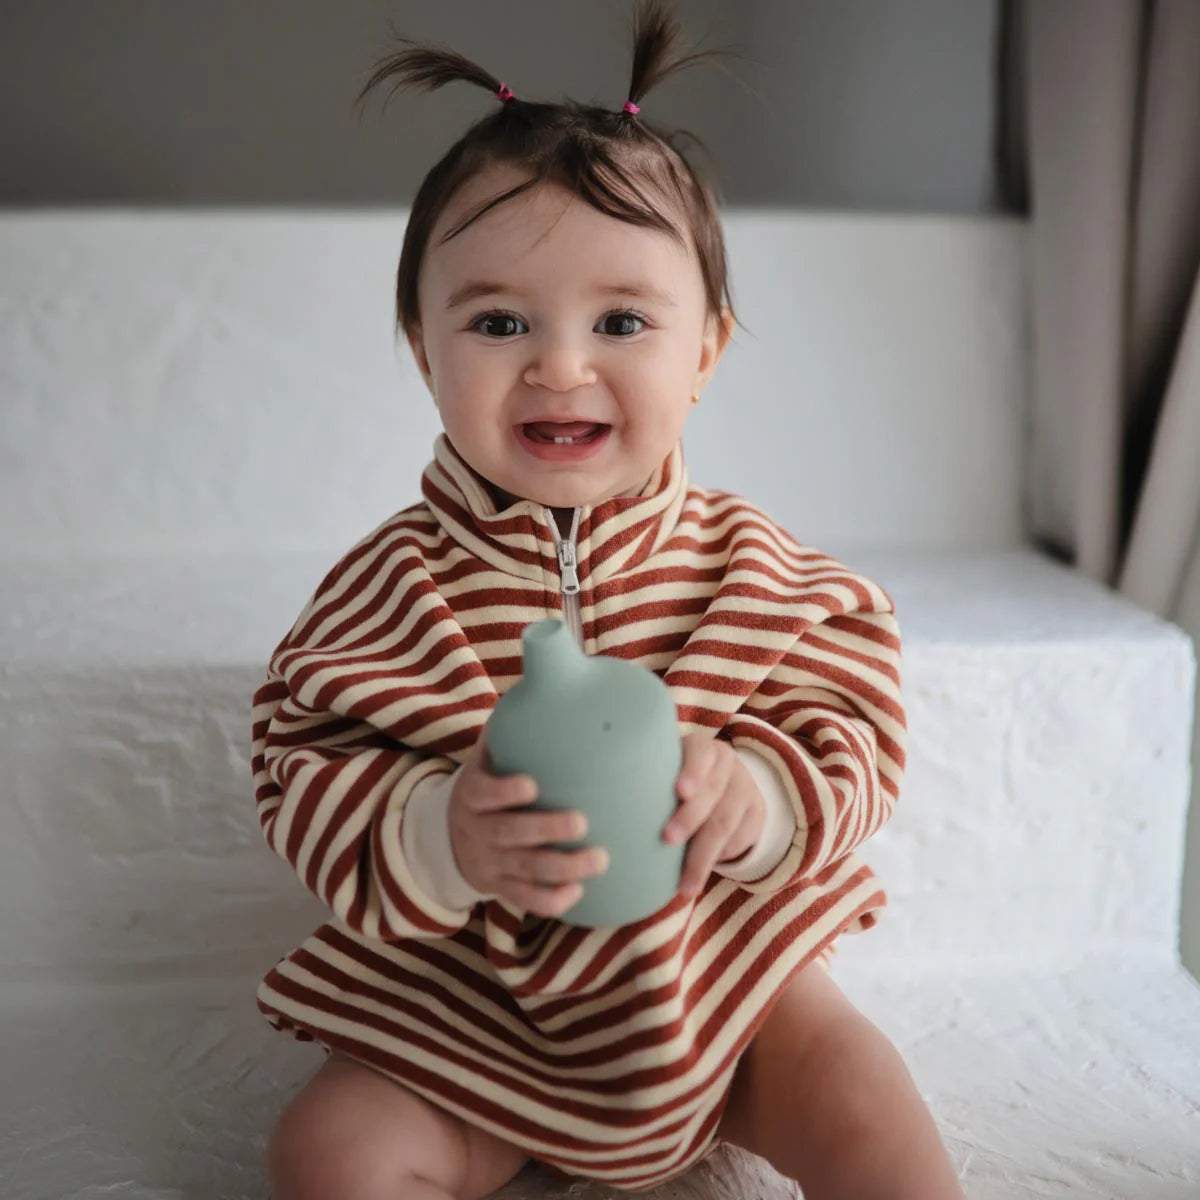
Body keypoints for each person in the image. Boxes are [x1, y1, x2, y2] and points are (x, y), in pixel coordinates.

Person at [255, 2, 962, 1197]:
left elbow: (853, 719)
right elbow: (301, 760)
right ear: (425, 351)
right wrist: (438, 832)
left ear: (706, 352)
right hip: (469, 1008)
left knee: (856, 1089)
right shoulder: (388, 594)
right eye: (498, 322)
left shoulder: (758, 572)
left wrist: (762, 797)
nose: (560, 364)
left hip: (723, 983)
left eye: (622, 320)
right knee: (330, 1151)